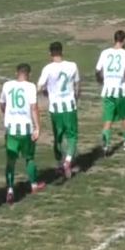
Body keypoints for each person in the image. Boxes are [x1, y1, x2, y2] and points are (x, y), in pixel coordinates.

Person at [0, 63, 43, 205]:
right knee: (29, 158)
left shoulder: (7, 85)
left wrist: (7, 113)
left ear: (16, 72)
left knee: (10, 161)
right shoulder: (30, 87)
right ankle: (34, 185)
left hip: (11, 129)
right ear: (28, 74)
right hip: (26, 129)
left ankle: (10, 190)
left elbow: (2, 104)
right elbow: (34, 108)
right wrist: (37, 127)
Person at [36, 42, 80, 178]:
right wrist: (76, 98)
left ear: (50, 53)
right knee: (72, 135)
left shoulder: (48, 69)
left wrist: (45, 92)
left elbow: (39, 87)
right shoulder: (72, 66)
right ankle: (67, 161)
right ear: (62, 51)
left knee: (58, 137)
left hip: (55, 108)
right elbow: (77, 85)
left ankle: (61, 163)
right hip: (69, 106)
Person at [95, 30, 125, 153]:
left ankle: (106, 145)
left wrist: (101, 81)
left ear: (114, 40)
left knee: (108, 118)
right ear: (124, 41)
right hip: (121, 90)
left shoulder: (104, 53)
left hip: (107, 90)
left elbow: (97, 70)